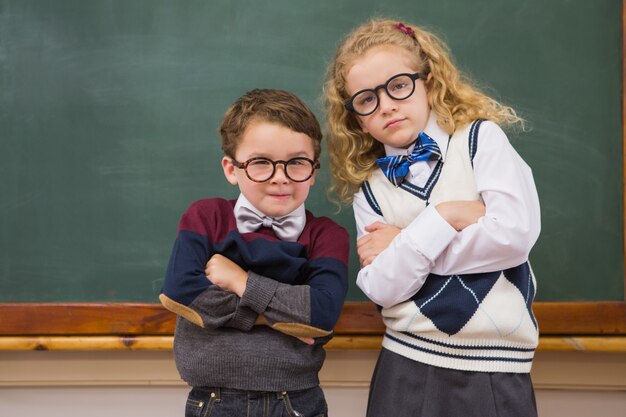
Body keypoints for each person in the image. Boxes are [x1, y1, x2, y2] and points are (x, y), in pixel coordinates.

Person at [324, 18, 541, 417]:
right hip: (405, 364)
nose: (386, 104)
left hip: (494, 366)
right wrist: (448, 216)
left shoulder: (481, 140)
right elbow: (383, 288)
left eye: (399, 86)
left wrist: (405, 242)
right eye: (366, 99)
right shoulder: (370, 188)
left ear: (428, 81)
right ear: (357, 118)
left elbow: (513, 238)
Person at [160, 88, 349, 417]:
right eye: (261, 163)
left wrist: (240, 281)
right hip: (213, 401)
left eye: (297, 163)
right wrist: (282, 319)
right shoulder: (206, 217)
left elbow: (321, 314)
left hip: (296, 402)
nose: (280, 178)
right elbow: (180, 293)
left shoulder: (328, 236)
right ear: (232, 169)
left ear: (314, 171)